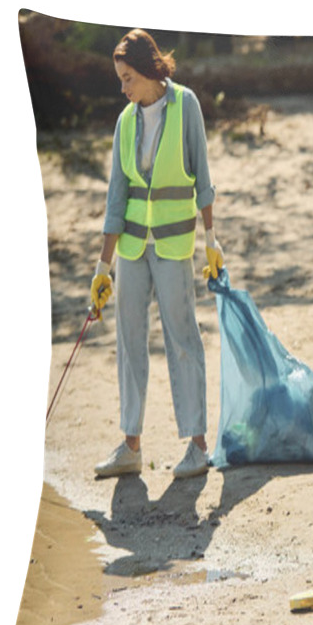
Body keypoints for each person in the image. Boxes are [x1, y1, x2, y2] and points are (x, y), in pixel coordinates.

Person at [91, 29, 224, 480]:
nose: (123, 88)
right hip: (131, 247)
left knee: (182, 337)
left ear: (149, 72)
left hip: (172, 245)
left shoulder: (185, 106)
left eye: (128, 78)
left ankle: (197, 445)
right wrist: (102, 266)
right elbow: (116, 197)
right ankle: (131, 445)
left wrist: (212, 238)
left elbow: (202, 176)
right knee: (129, 340)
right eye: (120, 80)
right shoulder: (125, 122)